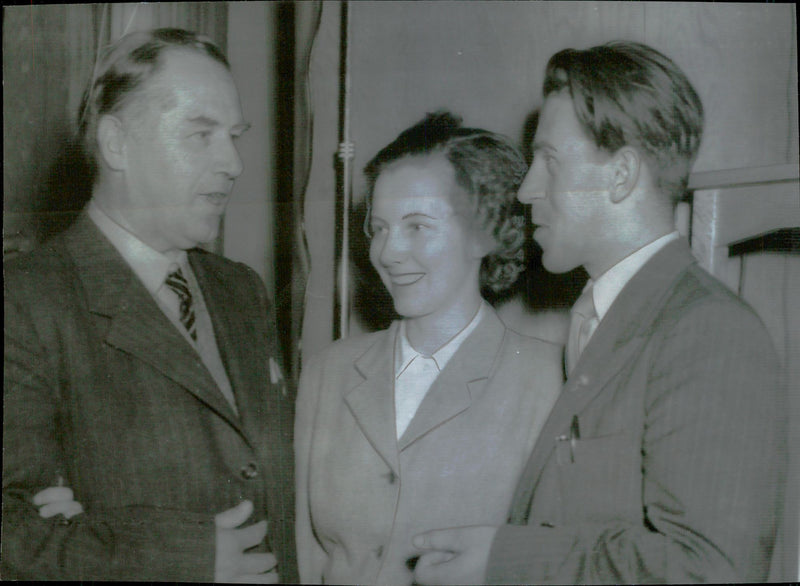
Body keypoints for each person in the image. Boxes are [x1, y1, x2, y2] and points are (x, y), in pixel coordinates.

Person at [411, 41, 787, 584]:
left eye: (549, 160)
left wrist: (506, 560)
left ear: (621, 174)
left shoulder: (710, 333)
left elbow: (711, 570)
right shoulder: (607, 317)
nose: (527, 189)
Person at [3, 28, 296, 582]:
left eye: (234, 136)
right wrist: (175, 557)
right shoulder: (23, 301)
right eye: (201, 134)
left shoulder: (241, 291)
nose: (233, 163)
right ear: (116, 143)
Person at [294, 112, 563, 584]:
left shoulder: (550, 381)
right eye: (379, 228)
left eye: (417, 226)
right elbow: (306, 553)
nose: (388, 252)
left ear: (483, 234)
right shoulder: (327, 372)